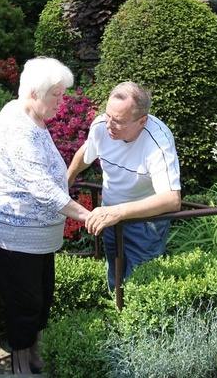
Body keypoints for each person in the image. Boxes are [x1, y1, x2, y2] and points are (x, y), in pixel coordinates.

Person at [0, 57, 91, 375]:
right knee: (24, 302)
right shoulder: (18, 127)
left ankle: (35, 352)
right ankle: (20, 365)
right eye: (58, 95)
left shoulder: (26, 113)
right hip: (12, 233)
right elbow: (43, 189)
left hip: (33, 237)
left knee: (42, 295)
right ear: (36, 92)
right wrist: (87, 216)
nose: (62, 102)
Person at [67, 82, 182, 291]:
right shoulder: (102, 125)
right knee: (115, 275)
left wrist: (119, 211)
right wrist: (68, 179)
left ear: (142, 121)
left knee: (141, 286)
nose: (109, 124)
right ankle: (116, 316)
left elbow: (172, 199)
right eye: (108, 115)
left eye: (118, 121)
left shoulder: (157, 141)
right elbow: (86, 153)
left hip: (144, 222)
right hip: (111, 215)